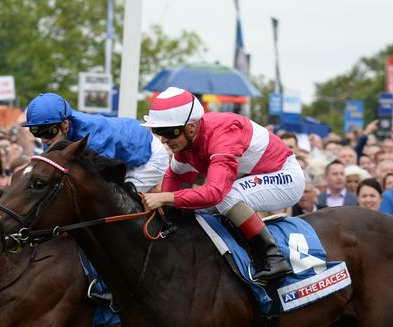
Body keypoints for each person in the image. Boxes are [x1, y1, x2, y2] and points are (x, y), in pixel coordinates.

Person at [140, 87, 304, 280]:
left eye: (170, 132)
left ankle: (274, 257)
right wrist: (167, 219)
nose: (165, 140)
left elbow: (215, 193)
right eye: (159, 132)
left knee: (227, 198)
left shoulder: (223, 135)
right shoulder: (186, 144)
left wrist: (164, 198)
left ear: (191, 127)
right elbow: (173, 176)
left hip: (285, 177)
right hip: (251, 179)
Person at [23, 92, 168, 192]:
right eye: (36, 133)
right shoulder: (54, 133)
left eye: (48, 132)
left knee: (116, 202)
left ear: (65, 125)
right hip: (124, 151)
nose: (43, 139)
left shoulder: (94, 140)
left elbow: (110, 176)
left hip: (150, 157)